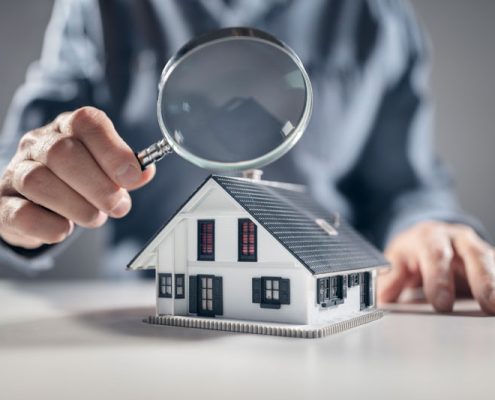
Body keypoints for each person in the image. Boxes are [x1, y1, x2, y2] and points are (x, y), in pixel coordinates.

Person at [0, 0, 494, 314]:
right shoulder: (95, 8)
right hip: (143, 318)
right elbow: (18, 173)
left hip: (333, 318)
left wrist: (426, 227)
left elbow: (405, 187)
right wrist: (23, 198)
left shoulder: (377, 15)